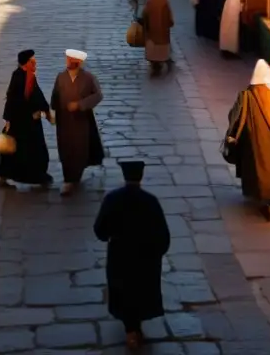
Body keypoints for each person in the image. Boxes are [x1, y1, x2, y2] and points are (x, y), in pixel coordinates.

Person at [94, 161, 170, 351]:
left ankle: (130, 330)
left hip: (120, 253)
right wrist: (157, 251)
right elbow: (163, 234)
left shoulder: (113, 199)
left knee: (123, 290)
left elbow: (100, 231)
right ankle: (136, 327)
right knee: (141, 290)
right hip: (145, 256)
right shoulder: (150, 201)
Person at [232, 59, 270, 222]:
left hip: (250, 144)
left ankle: (260, 198)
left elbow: (233, 116)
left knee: (254, 169)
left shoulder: (245, 95)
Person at [0, 50, 54, 188]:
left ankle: (6, 176)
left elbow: (37, 94)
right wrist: (10, 119)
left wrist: (45, 110)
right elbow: (12, 100)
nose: (35, 64)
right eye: (32, 61)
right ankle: (38, 177)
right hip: (22, 122)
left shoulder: (29, 76)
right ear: (26, 63)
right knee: (23, 150)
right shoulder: (19, 77)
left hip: (27, 121)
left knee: (18, 151)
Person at [51, 49, 105, 196]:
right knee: (66, 149)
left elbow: (98, 95)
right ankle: (68, 179)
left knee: (79, 149)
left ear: (79, 62)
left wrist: (81, 104)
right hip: (64, 121)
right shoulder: (61, 77)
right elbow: (55, 96)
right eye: (67, 59)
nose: (68, 62)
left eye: (71, 60)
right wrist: (52, 110)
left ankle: (75, 176)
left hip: (81, 121)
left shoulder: (88, 78)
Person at [139, 0, 174, 76]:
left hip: (152, 32)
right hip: (163, 31)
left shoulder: (149, 0)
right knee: (163, 47)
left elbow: (144, 14)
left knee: (153, 48)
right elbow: (169, 15)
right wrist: (170, 23)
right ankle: (166, 61)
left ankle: (155, 64)